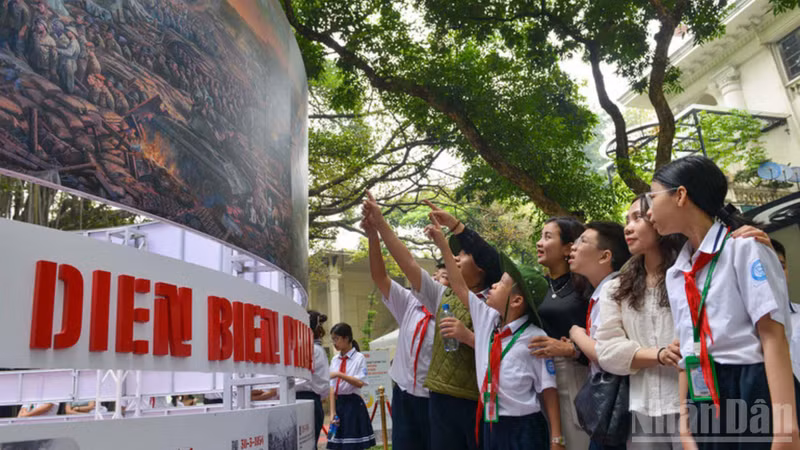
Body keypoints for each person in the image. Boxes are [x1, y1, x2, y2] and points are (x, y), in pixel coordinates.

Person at [647, 155, 798, 449]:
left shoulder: (744, 249)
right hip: (702, 392)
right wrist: (685, 427)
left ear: (680, 195)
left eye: (653, 198)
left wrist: (786, 428)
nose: (649, 211)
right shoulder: (677, 273)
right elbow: (686, 348)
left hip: (750, 384)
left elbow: (773, 335)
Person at [363, 193, 500, 450]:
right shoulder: (440, 296)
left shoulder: (493, 304)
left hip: (467, 400)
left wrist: (469, 337)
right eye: (451, 258)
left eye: (463, 256)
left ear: (483, 269)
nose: (454, 261)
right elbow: (408, 263)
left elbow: (502, 350)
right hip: (430, 398)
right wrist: (379, 226)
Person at [426, 213, 565, 449]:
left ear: (516, 300)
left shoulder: (533, 338)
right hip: (491, 422)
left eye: (500, 284)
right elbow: (459, 285)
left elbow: (548, 389)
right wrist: (442, 246)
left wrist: (556, 437)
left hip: (524, 426)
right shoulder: (487, 320)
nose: (492, 285)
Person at [596, 196, 684, 449]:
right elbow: (607, 350)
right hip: (642, 408)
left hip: (693, 402)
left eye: (638, 217)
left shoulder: (689, 273)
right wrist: (659, 354)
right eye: (626, 220)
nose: (627, 227)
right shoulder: (616, 287)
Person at [363, 216, 436, 450]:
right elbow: (379, 277)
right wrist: (372, 236)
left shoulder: (453, 310)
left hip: (436, 398)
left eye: (442, 279)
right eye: (434, 277)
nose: (434, 281)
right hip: (405, 394)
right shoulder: (409, 303)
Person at [567, 221, 632, 450]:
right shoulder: (603, 290)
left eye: (582, 241)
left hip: (613, 405)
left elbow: (605, 354)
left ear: (605, 256)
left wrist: (577, 334)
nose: (573, 247)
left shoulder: (612, 290)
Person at [529, 217, 592, 449]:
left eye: (547, 237)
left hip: (575, 377)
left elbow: (604, 341)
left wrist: (573, 350)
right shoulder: (536, 287)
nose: (539, 243)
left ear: (568, 247)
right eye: (540, 236)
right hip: (540, 381)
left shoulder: (585, 286)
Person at [327, 323, 375, 450]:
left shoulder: (359, 358)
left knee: (352, 445)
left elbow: (360, 382)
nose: (334, 343)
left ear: (346, 338)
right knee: (335, 444)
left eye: (336, 338)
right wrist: (332, 412)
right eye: (333, 339)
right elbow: (331, 388)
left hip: (353, 405)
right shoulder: (334, 359)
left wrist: (339, 374)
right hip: (338, 404)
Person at [296, 310, 331, 449]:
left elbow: (303, 381)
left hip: (307, 399)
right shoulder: (312, 349)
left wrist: (272, 392)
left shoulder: (312, 349)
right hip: (308, 400)